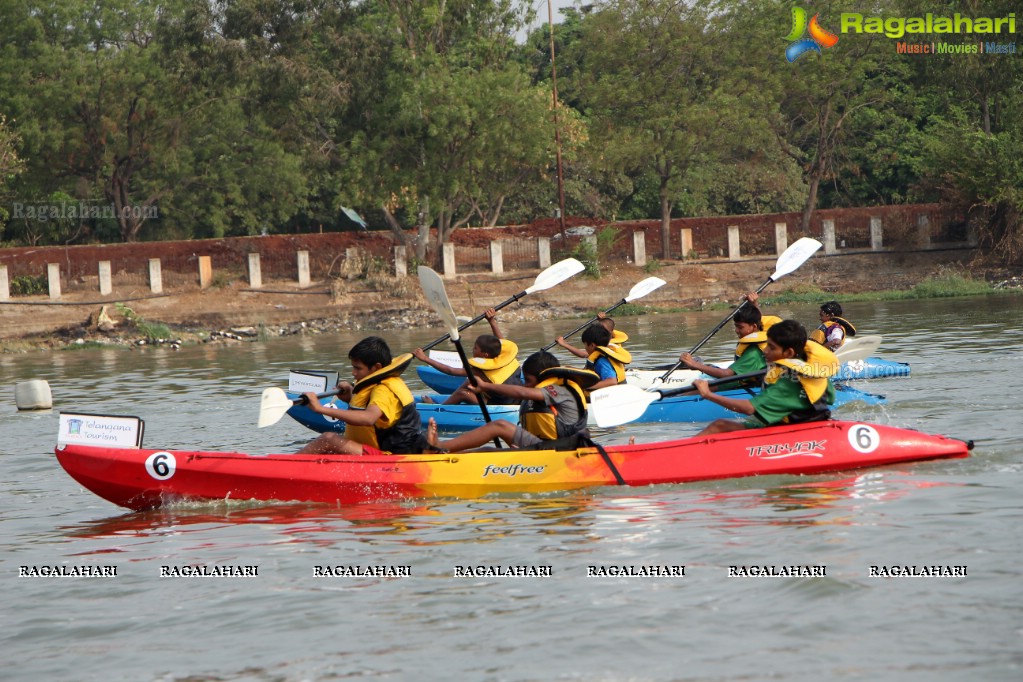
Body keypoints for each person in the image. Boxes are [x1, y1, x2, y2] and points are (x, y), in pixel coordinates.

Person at [424, 351, 598, 452]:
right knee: (489, 449)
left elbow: (522, 392)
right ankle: (441, 450)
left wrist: (486, 386)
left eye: (528, 380)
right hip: (543, 446)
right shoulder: (539, 394)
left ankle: (441, 448)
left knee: (497, 428)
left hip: (565, 449)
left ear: (543, 377)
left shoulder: (559, 390)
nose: (525, 384)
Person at [692, 319, 839, 436]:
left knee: (719, 426)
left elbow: (749, 409)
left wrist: (707, 394)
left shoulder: (786, 385)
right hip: (804, 423)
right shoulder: (813, 370)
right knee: (723, 424)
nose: (765, 351)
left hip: (790, 431)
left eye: (772, 347)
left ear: (789, 353)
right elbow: (830, 398)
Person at [298, 336, 425, 455]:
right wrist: (350, 399)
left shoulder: (384, 390)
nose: (353, 373)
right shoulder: (377, 383)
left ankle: (282, 468)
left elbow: (369, 418)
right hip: (382, 451)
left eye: (358, 368)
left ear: (376, 367)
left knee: (328, 439)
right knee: (329, 444)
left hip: (390, 457)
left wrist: (320, 409)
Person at [413, 308, 523, 405]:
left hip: (501, 404)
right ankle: (450, 402)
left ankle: (440, 408)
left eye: (475, 348)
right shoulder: (507, 357)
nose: (473, 350)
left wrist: (425, 358)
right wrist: (492, 321)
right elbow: (501, 342)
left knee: (463, 393)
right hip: (520, 398)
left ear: (485, 355)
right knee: (470, 381)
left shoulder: (479, 370)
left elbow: (451, 371)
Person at [678, 292, 782, 383]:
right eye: (736, 326)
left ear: (754, 326)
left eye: (740, 327)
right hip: (744, 373)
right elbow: (758, 319)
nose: (737, 331)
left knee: (699, 387)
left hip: (744, 383)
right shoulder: (761, 330)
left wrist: (695, 365)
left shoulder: (754, 353)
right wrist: (754, 304)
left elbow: (727, 374)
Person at [580, 322, 631, 391]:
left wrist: (585, 386)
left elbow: (612, 382)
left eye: (585, 345)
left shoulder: (601, 361)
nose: (585, 348)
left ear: (592, 345)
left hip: (616, 394)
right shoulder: (605, 354)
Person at [555, 312, 628, 358]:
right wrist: (601, 320)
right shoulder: (606, 338)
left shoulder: (606, 345)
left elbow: (584, 354)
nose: (597, 330)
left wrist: (564, 344)